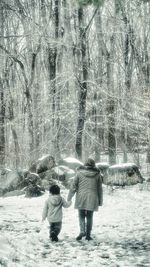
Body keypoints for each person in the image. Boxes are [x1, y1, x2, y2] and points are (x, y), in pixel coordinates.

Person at [67, 158, 103, 241]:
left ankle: (82, 230)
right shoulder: (97, 174)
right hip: (92, 197)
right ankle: (88, 234)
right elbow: (99, 189)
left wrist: (69, 197)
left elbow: (73, 186)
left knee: (81, 214)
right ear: (93, 165)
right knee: (90, 216)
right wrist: (100, 201)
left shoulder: (79, 173)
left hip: (81, 196)